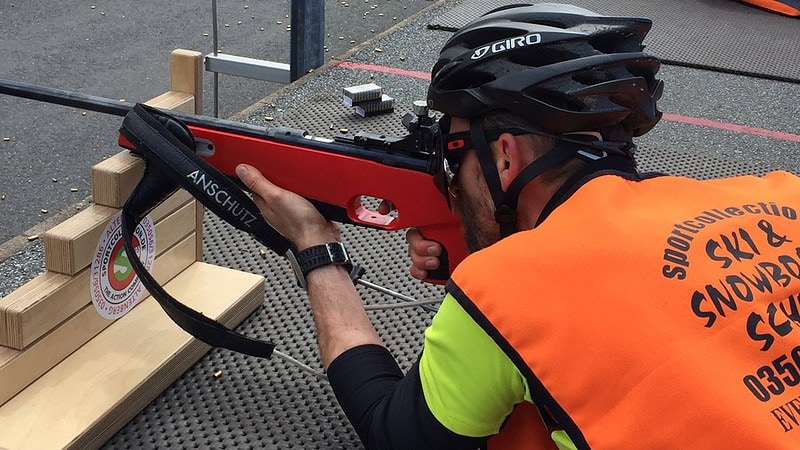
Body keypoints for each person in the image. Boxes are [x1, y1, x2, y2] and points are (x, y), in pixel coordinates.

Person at [236, 3, 800, 448]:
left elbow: (392, 431)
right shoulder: (782, 194)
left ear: (504, 156)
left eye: (453, 150)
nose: (449, 177)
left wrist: (315, 247)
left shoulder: (508, 292)